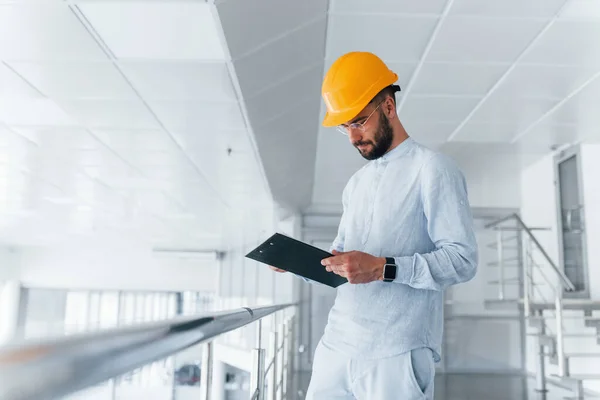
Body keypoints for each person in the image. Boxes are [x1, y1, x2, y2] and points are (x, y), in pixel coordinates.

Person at [270, 51, 478, 400]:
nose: (353, 136)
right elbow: (343, 266)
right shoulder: (356, 184)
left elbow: (462, 260)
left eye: (359, 121)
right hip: (336, 345)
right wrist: (299, 264)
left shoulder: (433, 169)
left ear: (388, 107)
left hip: (396, 353)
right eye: (345, 126)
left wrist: (383, 268)